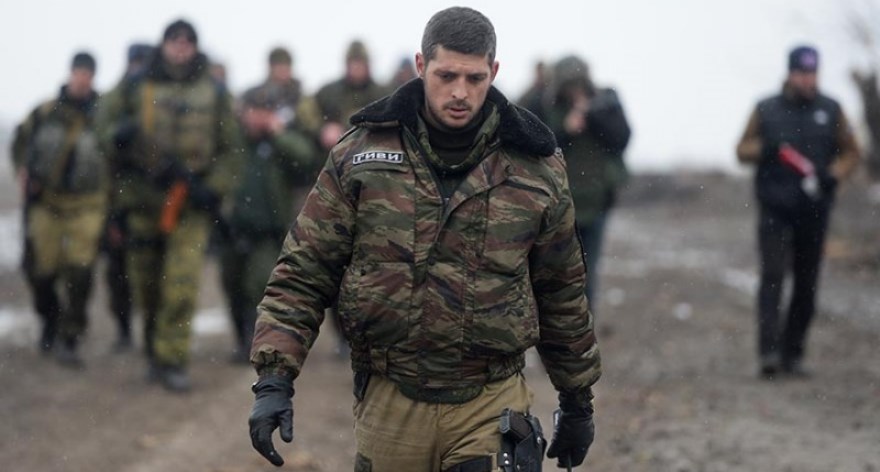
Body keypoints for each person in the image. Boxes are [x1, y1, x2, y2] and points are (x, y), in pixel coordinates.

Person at [247, 7, 601, 471]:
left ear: (494, 72)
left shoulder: (534, 168)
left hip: (490, 397)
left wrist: (577, 398)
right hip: (391, 400)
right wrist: (274, 378)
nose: (460, 92)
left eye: (475, 78)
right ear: (421, 65)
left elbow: (561, 290)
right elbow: (305, 268)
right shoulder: (361, 156)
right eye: (446, 75)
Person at [95, 19, 242, 392]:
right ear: (163, 45)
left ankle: (173, 359)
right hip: (143, 202)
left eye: (187, 40)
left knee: (181, 286)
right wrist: (117, 136)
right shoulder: (135, 86)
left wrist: (213, 189)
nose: (180, 46)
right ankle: (153, 352)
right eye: (174, 40)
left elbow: (232, 150)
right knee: (147, 287)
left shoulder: (214, 91)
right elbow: (102, 128)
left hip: (190, 206)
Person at [736, 45, 860, 378]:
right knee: (773, 277)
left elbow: (852, 152)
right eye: (802, 73)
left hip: (815, 210)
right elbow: (741, 149)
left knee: (807, 284)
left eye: (812, 73)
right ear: (790, 73)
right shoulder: (765, 109)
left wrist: (834, 174)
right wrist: (765, 149)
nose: (808, 79)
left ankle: (793, 353)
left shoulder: (832, 110)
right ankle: (768, 353)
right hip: (775, 209)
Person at [10, 52, 107, 367]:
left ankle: (71, 335)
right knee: (41, 270)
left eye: (88, 73)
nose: (82, 79)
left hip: (87, 203)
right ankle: (49, 319)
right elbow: (20, 143)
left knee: (80, 269)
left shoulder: (104, 115)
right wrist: (23, 171)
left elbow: (115, 155)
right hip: (47, 202)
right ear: (71, 73)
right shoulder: (45, 113)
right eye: (79, 72)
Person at [221, 73, 319, 364]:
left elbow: (306, 157)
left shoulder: (280, 143)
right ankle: (241, 340)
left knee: (258, 286)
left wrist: (278, 134)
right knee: (232, 287)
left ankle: (256, 343)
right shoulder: (233, 141)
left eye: (266, 111)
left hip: (266, 232)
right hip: (230, 229)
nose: (259, 117)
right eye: (255, 110)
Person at [541, 55, 631, 310]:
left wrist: (592, 115)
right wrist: (567, 129)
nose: (574, 91)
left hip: (597, 202)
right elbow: (541, 146)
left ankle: (584, 325)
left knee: (587, 273)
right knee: (556, 274)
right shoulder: (549, 105)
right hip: (559, 203)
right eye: (569, 86)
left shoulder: (606, 102)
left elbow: (621, 138)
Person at [102, 42, 154, 353]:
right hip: (116, 197)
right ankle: (124, 330)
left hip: (147, 199)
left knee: (147, 273)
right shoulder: (115, 100)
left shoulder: (156, 97)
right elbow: (103, 146)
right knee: (118, 271)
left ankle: (150, 335)